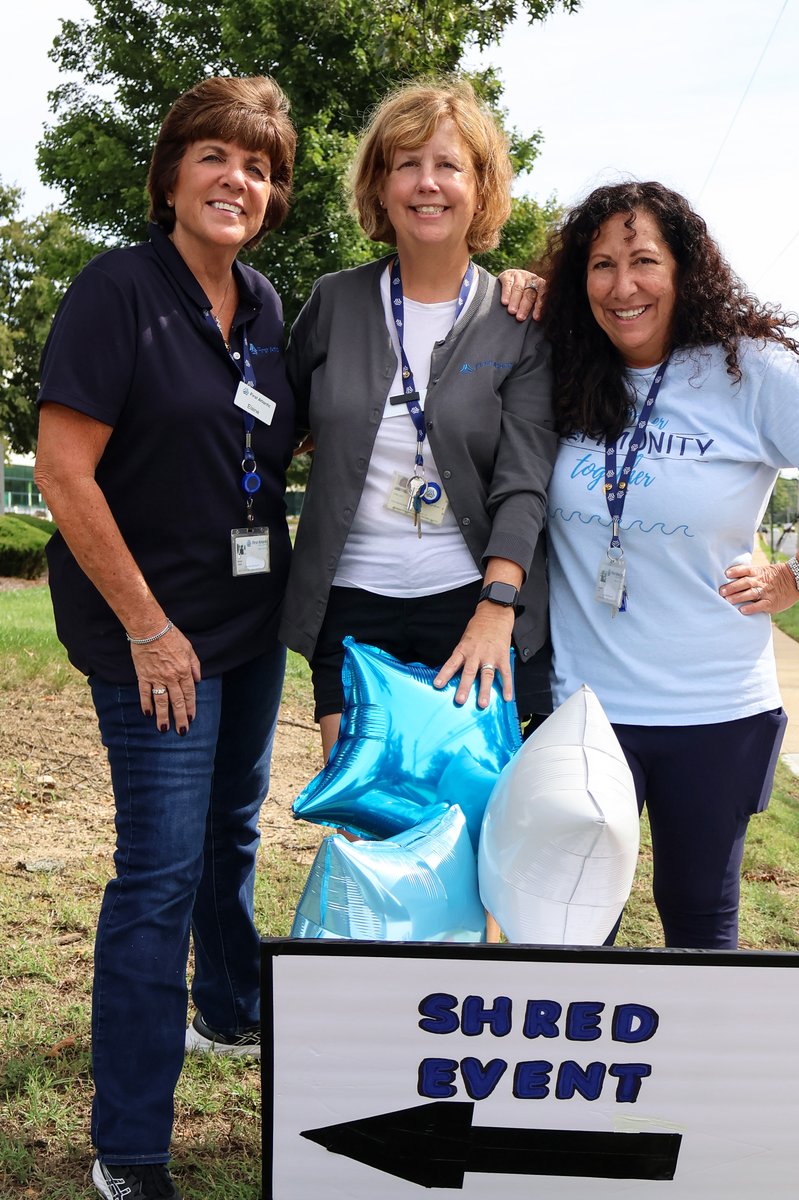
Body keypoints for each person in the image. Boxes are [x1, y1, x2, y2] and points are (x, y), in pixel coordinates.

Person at [33, 76, 297, 1200]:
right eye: (216, 157)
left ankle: (227, 1010)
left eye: (261, 167)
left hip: (248, 627)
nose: (239, 180)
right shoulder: (116, 292)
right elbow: (63, 472)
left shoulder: (267, 306)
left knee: (233, 832)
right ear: (172, 173)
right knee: (158, 872)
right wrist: (148, 628)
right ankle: (130, 1147)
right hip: (156, 641)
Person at [534, 180, 799, 950]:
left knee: (699, 921)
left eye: (645, 261)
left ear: (684, 270)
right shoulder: (561, 366)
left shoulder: (749, 372)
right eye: (602, 265)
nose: (623, 286)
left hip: (714, 708)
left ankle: (694, 1041)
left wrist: (794, 577)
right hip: (584, 708)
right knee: (572, 928)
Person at [280, 79, 556, 758]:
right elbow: (279, 426)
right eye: (407, 164)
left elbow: (524, 484)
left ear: (482, 189)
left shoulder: (518, 320)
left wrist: (497, 606)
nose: (427, 183)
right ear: (381, 187)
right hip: (350, 603)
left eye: (448, 165)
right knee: (362, 804)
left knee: (462, 808)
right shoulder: (334, 303)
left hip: (469, 603)